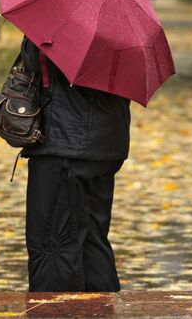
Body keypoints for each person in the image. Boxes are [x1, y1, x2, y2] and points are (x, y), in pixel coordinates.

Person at [20, 36, 131, 292]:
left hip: (66, 144)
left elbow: (35, 60)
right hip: (105, 143)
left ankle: (55, 312)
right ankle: (102, 309)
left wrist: (32, 35)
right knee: (92, 242)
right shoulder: (121, 27)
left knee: (53, 244)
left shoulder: (65, 21)